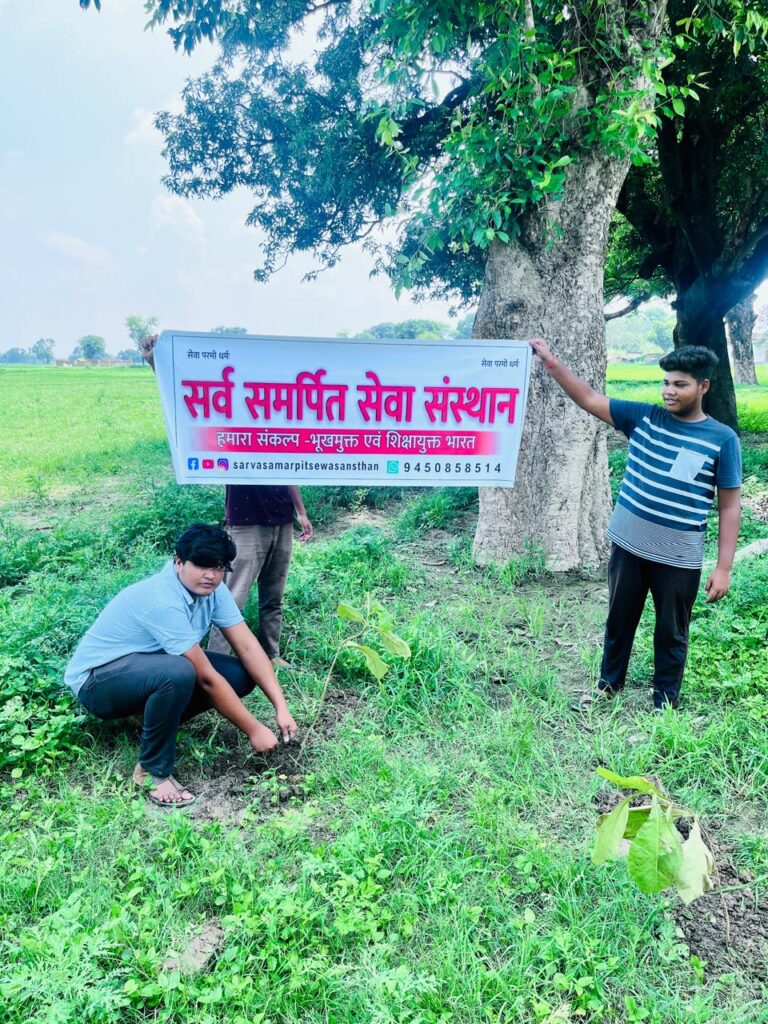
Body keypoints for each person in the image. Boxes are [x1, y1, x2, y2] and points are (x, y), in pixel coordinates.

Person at [529, 340, 742, 711]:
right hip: (628, 544)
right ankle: (608, 686)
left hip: (678, 555)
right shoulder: (643, 418)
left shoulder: (722, 439)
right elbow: (589, 398)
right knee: (619, 619)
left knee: (671, 631)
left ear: (703, 386)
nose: (669, 391)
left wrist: (724, 567)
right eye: (666, 383)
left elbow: (730, 505)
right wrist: (551, 362)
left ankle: (664, 702)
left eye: (680, 384)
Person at [65, 523, 298, 808]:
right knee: (179, 672)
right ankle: (151, 771)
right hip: (98, 683)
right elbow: (206, 678)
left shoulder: (214, 591)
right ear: (178, 561)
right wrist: (254, 729)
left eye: (219, 567)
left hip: (147, 668)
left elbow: (248, 646)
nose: (211, 575)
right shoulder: (162, 599)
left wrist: (281, 707)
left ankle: (148, 719)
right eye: (201, 565)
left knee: (239, 674)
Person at [138, 334, 312, 667]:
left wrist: (300, 513)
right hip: (247, 522)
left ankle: (271, 654)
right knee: (232, 598)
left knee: (273, 594)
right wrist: (154, 361)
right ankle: (218, 662)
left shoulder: (284, 417)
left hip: (281, 519)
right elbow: (188, 397)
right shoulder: (231, 413)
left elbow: (289, 469)